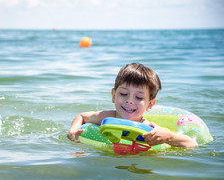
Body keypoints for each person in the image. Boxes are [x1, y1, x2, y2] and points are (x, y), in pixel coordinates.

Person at [67, 63, 197, 148]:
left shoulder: (148, 128)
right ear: (113, 95)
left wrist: (168, 137)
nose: (129, 101)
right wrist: (73, 131)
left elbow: (192, 144)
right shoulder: (106, 116)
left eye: (139, 97)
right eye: (123, 93)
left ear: (150, 104)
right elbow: (81, 116)